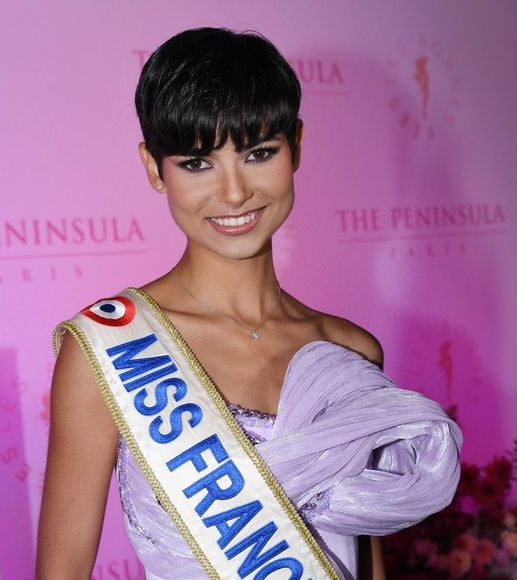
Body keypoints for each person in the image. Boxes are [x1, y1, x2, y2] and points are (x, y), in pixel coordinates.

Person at [36, 28, 462, 580]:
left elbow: (361, 556)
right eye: (197, 163)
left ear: (297, 147)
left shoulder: (348, 350)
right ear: (152, 168)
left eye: (259, 153)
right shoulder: (107, 347)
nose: (235, 193)